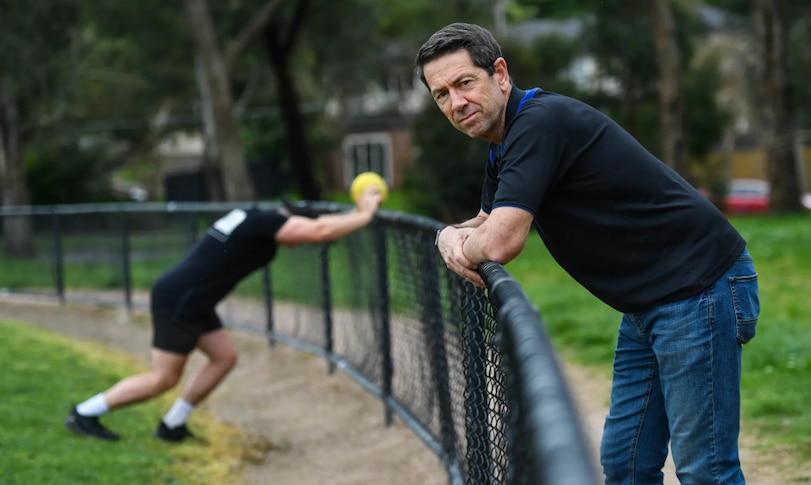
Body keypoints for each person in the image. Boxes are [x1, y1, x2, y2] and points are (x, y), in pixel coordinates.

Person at [415, 23, 759, 485]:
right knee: (626, 464)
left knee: (706, 471)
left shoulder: (539, 122)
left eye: (464, 83)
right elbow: (481, 222)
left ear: (499, 73)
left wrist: (466, 246)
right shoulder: (505, 142)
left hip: (698, 288)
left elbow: (499, 241)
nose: (456, 103)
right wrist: (446, 237)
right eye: (441, 95)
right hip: (646, 303)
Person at [65, 187, 383, 442]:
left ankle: (172, 425)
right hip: (182, 300)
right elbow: (321, 230)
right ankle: (84, 413)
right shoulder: (267, 224)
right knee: (162, 378)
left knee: (224, 357)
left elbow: (314, 229)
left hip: (192, 299)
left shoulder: (252, 217)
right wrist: (364, 213)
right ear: (293, 221)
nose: (296, 245)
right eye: (298, 237)